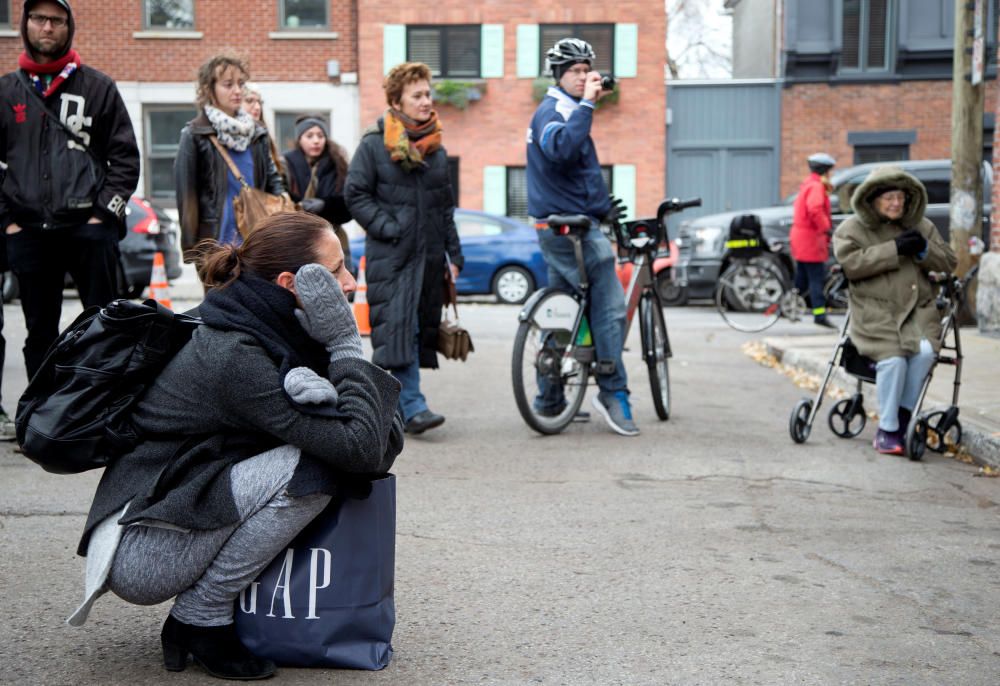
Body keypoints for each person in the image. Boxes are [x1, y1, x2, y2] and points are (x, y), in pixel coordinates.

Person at [69, 212, 404, 680]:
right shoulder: (237, 356)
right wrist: (347, 346)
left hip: (187, 501)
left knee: (323, 457)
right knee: (314, 468)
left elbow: (382, 434)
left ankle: (202, 617)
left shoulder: (278, 328)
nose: (349, 283)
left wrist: (343, 384)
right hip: (144, 545)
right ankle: (200, 619)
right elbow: (361, 451)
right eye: (336, 271)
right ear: (292, 282)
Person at [0, 0, 140, 380]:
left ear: (69, 26)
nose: (48, 27)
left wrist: (103, 216)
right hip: (29, 232)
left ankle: (99, 418)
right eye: (39, 19)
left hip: (89, 231)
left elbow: (126, 160)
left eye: (57, 20)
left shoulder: (98, 88)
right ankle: (40, 423)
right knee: (39, 332)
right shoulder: (7, 91)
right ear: (26, 25)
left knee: (103, 326)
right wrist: (8, 220)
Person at [344, 62, 463, 436]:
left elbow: (445, 208)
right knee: (399, 331)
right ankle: (412, 405)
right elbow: (355, 195)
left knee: (409, 331)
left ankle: (386, 409)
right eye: (418, 95)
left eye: (428, 94)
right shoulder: (373, 144)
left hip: (427, 259)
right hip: (392, 257)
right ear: (396, 101)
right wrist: (389, 227)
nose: (427, 101)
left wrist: (453, 255)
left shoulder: (436, 151)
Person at [525, 38, 636, 436]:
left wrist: (603, 205)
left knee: (563, 310)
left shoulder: (566, 110)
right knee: (608, 306)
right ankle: (613, 391)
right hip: (572, 231)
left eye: (586, 70)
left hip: (566, 223)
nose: (583, 77)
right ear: (558, 75)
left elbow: (576, 175)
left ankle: (549, 397)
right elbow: (561, 149)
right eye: (574, 71)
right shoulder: (556, 111)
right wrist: (589, 104)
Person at [833, 166, 957, 456]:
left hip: (918, 312)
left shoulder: (921, 226)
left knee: (925, 352)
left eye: (900, 198)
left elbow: (949, 263)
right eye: (889, 198)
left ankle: (902, 417)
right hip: (875, 313)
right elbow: (851, 264)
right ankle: (887, 430)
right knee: (895, 360)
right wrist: (894, 249)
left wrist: (925, 250)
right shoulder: (851, 229)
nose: (896, 204)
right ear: (872, 199)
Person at [175, 53, 285, 252]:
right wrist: (193, 249)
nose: (237, 91)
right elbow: (187, 196)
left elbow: (273, 181)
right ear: (209, 89)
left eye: (241, 84)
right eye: (228, 84)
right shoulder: (194, 134)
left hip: (256, 240)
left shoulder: (257, 133)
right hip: (216, 243)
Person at [283, 114, 353, 266]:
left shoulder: (338, 164)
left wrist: (325, 205)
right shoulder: (286, 164)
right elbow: (280, 198)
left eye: (320, 136)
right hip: (297, 241)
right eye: (309, 136)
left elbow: (350, 204)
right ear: (299, 139)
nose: (316, 140)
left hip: (334, 235)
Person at [790, 152, 837, 328]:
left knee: (802, 277)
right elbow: (815, 209)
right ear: (825, 170)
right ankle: (820, 315)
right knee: (816, 278)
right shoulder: (816, 186)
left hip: (801, 237)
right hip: (811, 239)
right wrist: (827, 228)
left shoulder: (808, 184)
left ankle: (788, 306)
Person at [241, 82, 286, 183]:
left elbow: (274, 179)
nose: (257, 107)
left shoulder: (263, 137)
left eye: (259, 102)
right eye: (249, 101)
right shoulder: (225, 137)